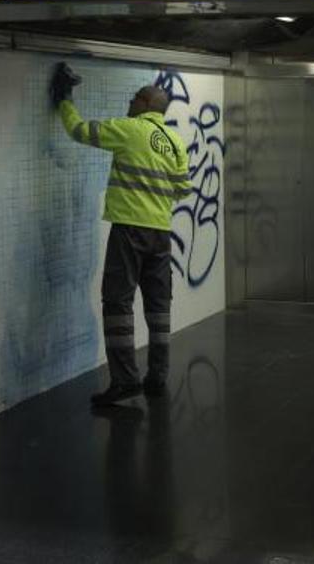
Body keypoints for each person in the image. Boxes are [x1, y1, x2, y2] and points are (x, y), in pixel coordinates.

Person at [50, 63, 191, 406]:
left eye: (132, 99)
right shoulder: (174, 142)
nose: (128, 103)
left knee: (117, 302)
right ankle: (157, 376)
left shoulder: (129, 129)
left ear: (144, 103)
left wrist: (64, 99)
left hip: (129, 228)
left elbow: (80, 131)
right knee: (159, 307)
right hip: (160, 233)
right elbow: (182, 189)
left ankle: (125, 381)